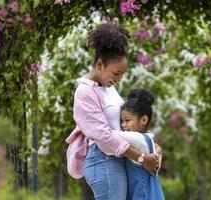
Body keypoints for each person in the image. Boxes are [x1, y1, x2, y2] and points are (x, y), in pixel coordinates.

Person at [65, 22, 161, 200]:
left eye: (122, 74)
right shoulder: (85, 92)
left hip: (118, 158)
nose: (119, 79)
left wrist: (150, 144)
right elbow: (104, 136)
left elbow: (125, 123)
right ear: (100, 64)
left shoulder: (108, 88)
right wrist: (141, 158)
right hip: (102, 160)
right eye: (116, 73)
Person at [120, 89, 165, 200]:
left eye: (127, 120)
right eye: (121, 121)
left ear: (144, 119)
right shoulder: (148, 137)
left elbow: (109, 135)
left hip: (142, 194)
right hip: (152, 192)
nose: (123, 125)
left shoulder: (137, 138)